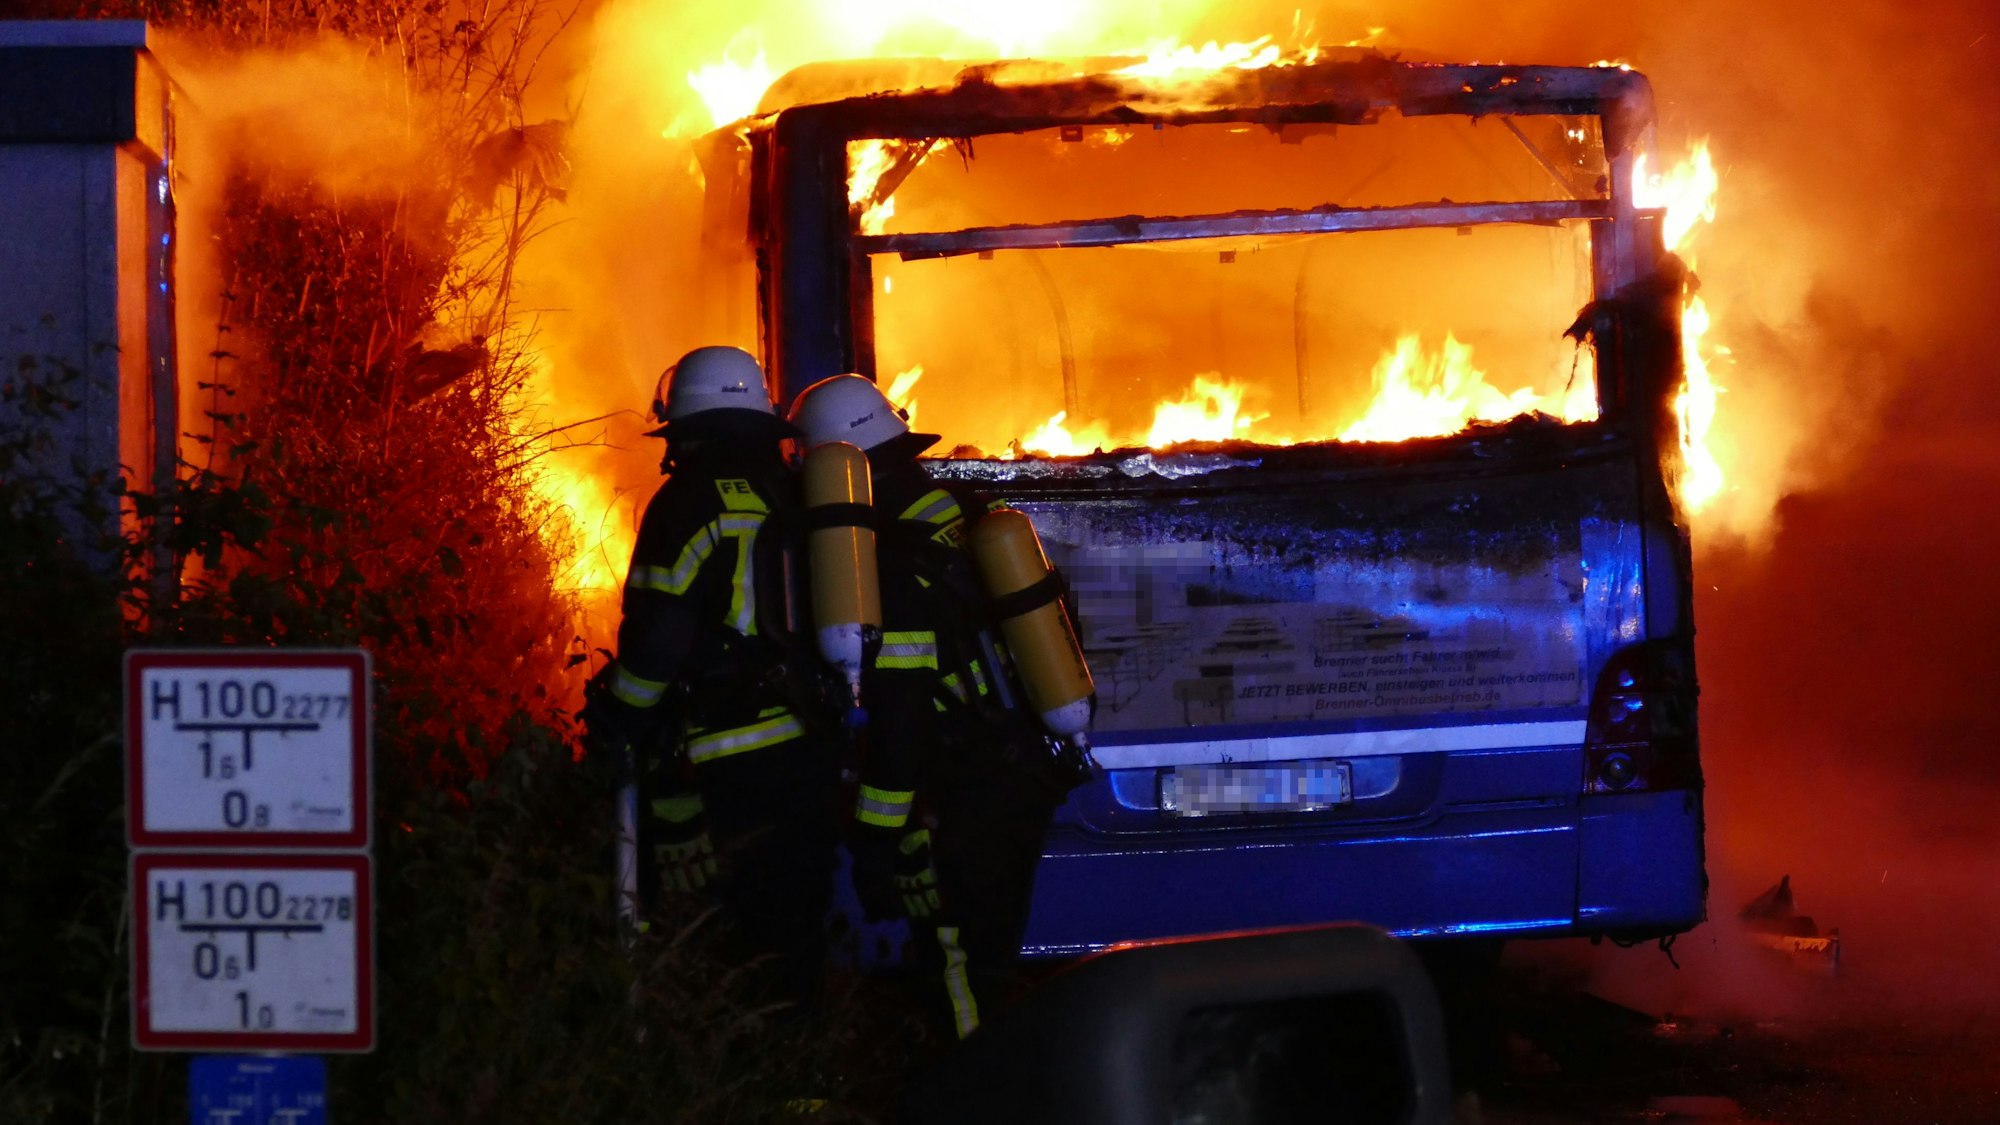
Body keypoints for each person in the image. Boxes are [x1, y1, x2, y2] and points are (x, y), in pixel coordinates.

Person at [787, 373, 1085, 1040]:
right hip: (1023, 761)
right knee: (991, 948)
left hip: (973, 782)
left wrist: (877, 838)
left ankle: (978, 1082)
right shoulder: (966, 511)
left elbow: (903, 718)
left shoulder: (884, 558)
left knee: (956, 958)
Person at [584, 345, 840, 1008]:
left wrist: (620, 724)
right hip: (811, 750)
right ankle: (800, 1067)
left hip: (723, 765)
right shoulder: (799, 491)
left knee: (712, 949)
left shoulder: (687, 502)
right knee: (791, 943)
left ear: (685, 427)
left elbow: (658, 647)